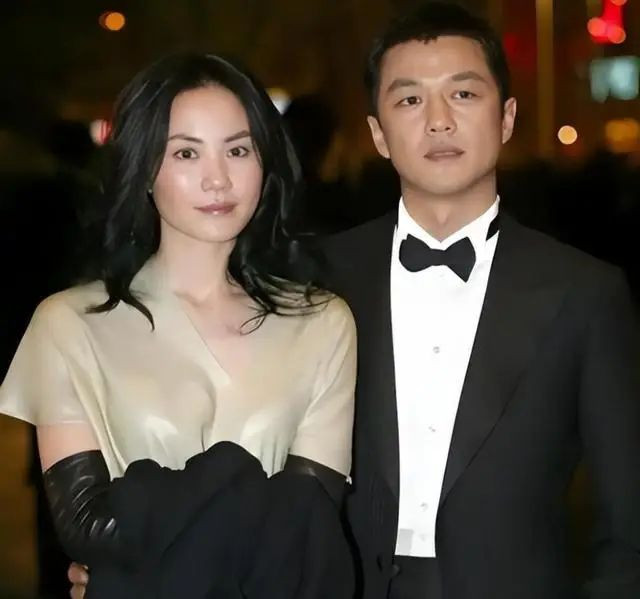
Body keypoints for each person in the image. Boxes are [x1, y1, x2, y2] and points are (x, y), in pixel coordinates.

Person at [0, 52, 356, 598]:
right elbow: (86, 526)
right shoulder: (70, 324)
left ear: (266, 164)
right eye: (186, 152)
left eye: (238, 150)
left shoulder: (322, 323)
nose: (218, 178)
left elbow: (312, 524)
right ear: (144, 169)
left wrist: (143, 560)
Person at [319, 3, 640, 599]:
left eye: (463, 94)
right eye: (409, 99)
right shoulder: (317, 280)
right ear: (378, 134)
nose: (438, 121)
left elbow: (628, 523)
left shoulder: (586, 293)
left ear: (507, 117)